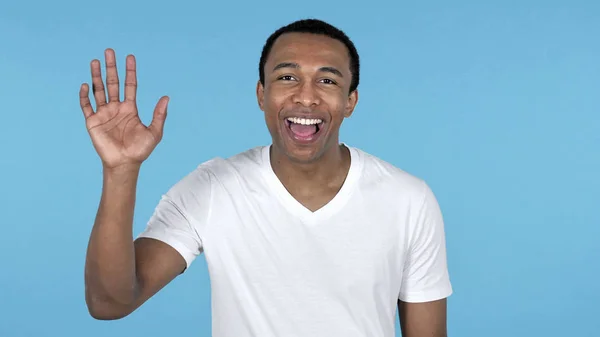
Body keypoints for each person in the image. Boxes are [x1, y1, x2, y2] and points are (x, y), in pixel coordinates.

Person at [80, 18, 452, 337]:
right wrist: (120, 170)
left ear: (350, 101)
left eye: (327, 81)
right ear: (262, 94)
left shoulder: (408, 200)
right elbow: (109, 302)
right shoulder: (213, 188)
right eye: (287, 77)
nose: (306, 98)